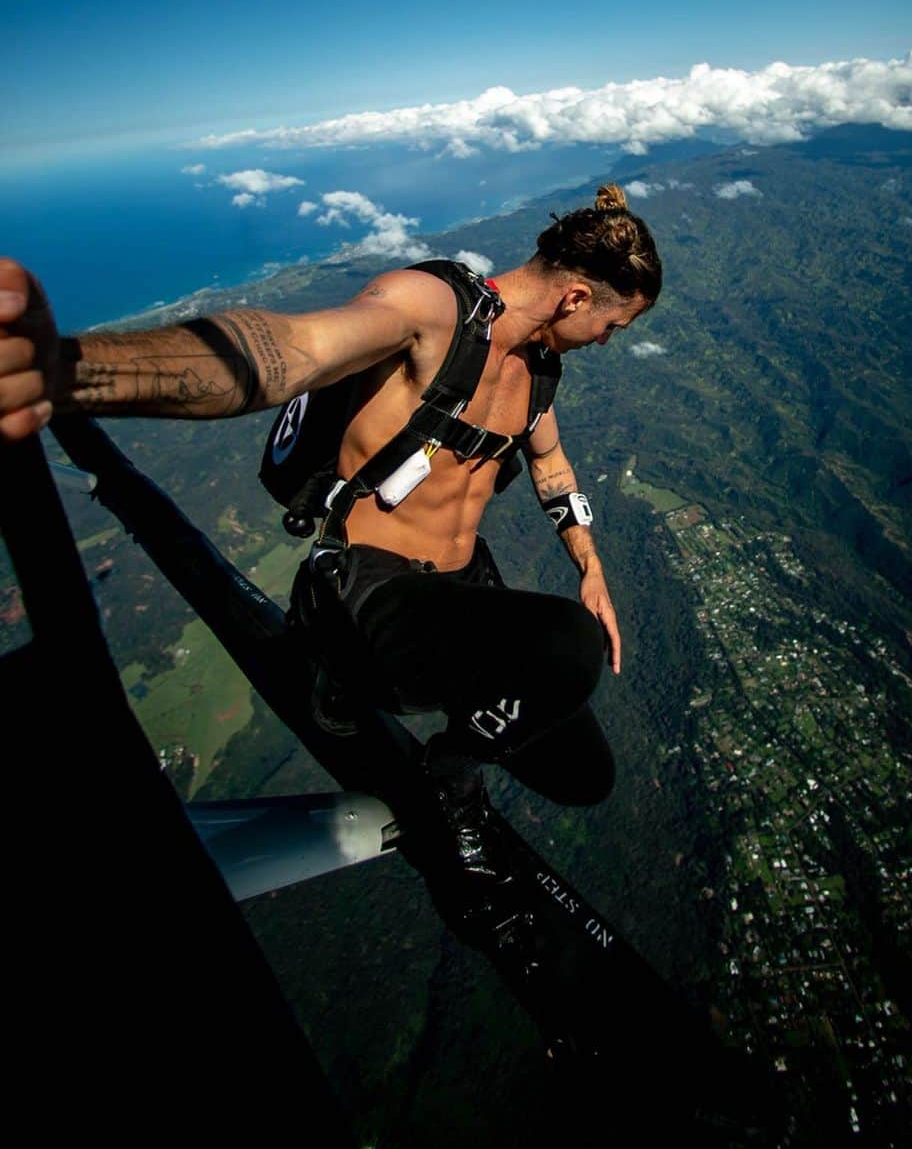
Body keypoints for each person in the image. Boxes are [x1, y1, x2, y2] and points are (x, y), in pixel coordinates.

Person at [0, 184, 661, 885]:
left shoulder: (539, 370)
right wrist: (63, 371)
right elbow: (288, 353)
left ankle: (442, 707)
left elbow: (551, 463)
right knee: (569, 647)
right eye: (614, 328)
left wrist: (589, 565)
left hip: (459, 593)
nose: (607, 345)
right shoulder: (433, 310)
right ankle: (440, 766)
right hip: (372, 595)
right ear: (577, 299)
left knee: (584, 773)